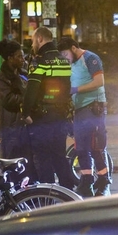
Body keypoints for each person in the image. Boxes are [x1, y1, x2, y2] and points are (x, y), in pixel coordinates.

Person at [22, 27, 75, 189]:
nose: (32, 44)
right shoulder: (63, 61)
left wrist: (25, 112)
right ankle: (68, 192)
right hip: (60, 116)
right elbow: (67, 90)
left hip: (42, 117)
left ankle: (47, 195)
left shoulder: (40, 60)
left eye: (32, 40)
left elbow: (32, 90)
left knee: (43, 157)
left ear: (39, 39)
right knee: (59, 155)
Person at [58, 36, 110, 197]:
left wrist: (76, 90)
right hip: (81, 109)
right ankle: (88, 179)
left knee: (95, 146)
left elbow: (99, 81)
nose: (65, 58)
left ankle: (102, 180)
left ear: (74, 48)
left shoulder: (90, 58)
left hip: (93, 107)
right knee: (81, 147)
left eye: (66, 54)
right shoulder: (73, 63)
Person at [0, 39, 37, 186]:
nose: (23, 59)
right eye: (19, 56)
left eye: (23, 56)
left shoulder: (23, 74)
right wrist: (28, 98)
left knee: (28, 168)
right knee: (10, 168)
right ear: (10, 58)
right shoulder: (1, 78)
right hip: (10, 128)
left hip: (24, 127)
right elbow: (8, 100)